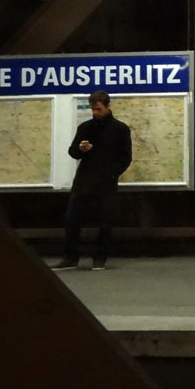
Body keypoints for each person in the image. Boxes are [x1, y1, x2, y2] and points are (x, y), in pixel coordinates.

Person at [53, 91, 132, 271]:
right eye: (93, 109)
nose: (95, 113)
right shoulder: (85, 127)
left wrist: (111, 174)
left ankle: (99, 258)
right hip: (84, 180)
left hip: (106, 182)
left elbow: (125, 157)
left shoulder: (120, 129)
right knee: (72, 219)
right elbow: (73, 152)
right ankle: (70, 258)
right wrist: (81, 149)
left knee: (105, 221)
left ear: (107, 106)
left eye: (98, 109)